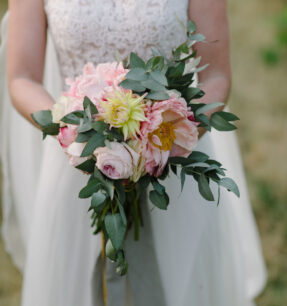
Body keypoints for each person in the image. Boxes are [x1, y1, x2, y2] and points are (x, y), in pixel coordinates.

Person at [0, 0, 267, 305]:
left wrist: (157, 146)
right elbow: (22, 78)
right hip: (77, 164)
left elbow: (216, 76)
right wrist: (78, 134)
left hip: (172, 161)